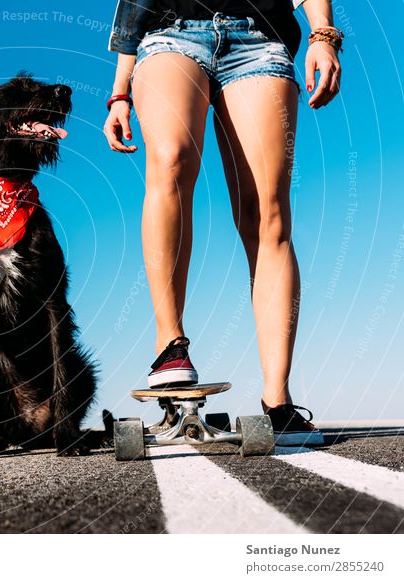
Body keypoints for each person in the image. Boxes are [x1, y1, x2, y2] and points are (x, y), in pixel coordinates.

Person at [103, 0, 343, 445]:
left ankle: (277, 401)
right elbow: (134, 6)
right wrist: (119, 93)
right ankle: (171, 347)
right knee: (171, 159)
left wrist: (322, 36)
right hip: (171, 36)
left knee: (266, 212)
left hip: (260, 40)